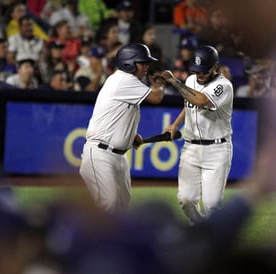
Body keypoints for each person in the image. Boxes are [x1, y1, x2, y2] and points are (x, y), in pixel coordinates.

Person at [79, 43, 165, 214]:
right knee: (107, 204)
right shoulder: (124, 79)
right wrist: (160, 82)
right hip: (100, 154)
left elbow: (119, 114)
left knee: (120, 207)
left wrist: (131, 135)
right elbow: (157, 97)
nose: (147, 66)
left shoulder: (125, 81)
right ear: (129, 63)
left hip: (117, 156)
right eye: (143, 62)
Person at [160, 45, 234, 224]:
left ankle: (211, 242)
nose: (199, 74)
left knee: (212, 204)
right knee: (185, 199)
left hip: (216, 149)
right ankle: (199, 228)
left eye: (204, 70)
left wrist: (173, 81)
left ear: (215, 67)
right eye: (196, 70)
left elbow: (199, 100)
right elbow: (189, 104)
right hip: (191, 147)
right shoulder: (191, 80)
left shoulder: (223, 85)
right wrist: (174, 125)